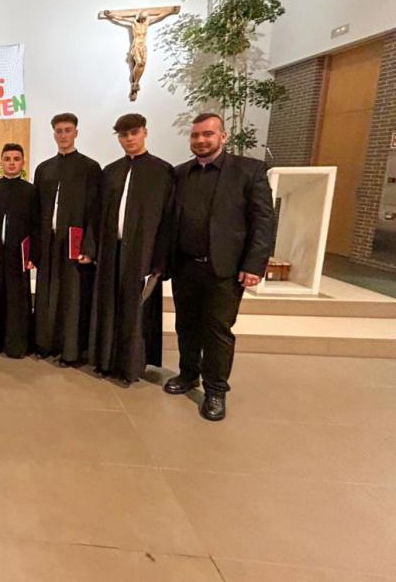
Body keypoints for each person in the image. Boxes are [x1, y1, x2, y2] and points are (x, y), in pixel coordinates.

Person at [164, 113, 275, 421]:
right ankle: (188, 374)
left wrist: (254, 264)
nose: (201, 140)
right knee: (186, 325)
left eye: (208, 134)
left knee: (217, 330)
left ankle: (215, 390)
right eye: (196, 135)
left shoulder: (249, 170)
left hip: (225, 269)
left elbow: (263, 221)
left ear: (223, 137)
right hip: (186, 265)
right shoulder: (180, 173)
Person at [90, 114, 173, 387]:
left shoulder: (162, 171)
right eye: (123, 135)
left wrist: (160, 260)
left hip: (142, 252)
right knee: (108, 305)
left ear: (145, 132)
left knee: (134, 310)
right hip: (111, 250)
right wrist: (93, 249)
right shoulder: (110, 171)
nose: (129, 139)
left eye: (134, 133)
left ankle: (130, 366)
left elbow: (168, 219)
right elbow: (97, 214)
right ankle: (105, 361)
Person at [33, 113, 102, 367]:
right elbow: (36, 210)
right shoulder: (44, 169)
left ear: (76, 133)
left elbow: (95, 211)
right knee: (46, 294)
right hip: (48, 242)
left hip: (74, 244)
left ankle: (69, 350)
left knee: (71, 297)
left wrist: (89, 248)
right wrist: (35, 249)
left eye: (68, 130)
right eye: (59, 131)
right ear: (54, 134)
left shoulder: (90, 168)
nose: (63, 135)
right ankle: (45, 344)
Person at [0, 143, 39, 358]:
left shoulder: (30, 190)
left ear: (23, 162)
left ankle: (16, 345)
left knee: (17, 300)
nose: (12, 163)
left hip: (19, 255)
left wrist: (33, 255)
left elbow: (35, 224)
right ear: (1, 162)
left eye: (16, 159)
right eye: (7, 159)